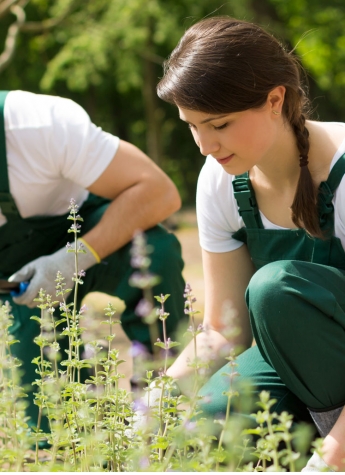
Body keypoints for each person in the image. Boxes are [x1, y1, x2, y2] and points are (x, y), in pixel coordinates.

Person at [155, 17, 345, 471]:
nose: (204, 145)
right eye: (191, 126)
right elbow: (225, 328)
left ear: (275, 99)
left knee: (275, 288)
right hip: (286, 363)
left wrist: (330, 460)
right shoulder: (219, 180)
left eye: (218, 123)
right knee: (204, 424)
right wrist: (150, 410)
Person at [0, 90, 186, 431]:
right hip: (16, 282)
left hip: (85, 231)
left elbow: (159, 191)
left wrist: (71, 260)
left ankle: (161, 405)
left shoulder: (38, 123)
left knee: (155, 253)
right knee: (52, 426)